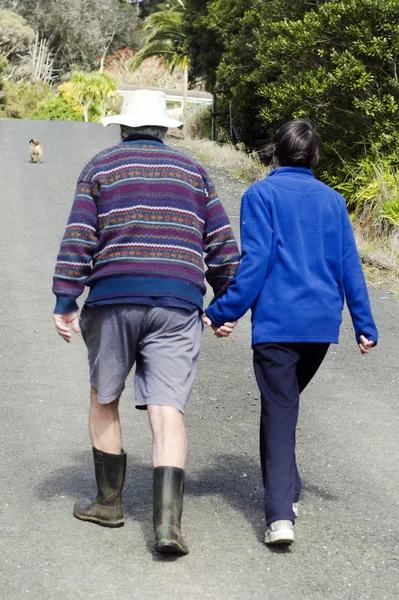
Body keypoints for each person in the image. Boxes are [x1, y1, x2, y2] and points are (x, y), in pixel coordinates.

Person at [52, 89, 240, 556]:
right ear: (165, 129)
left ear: (122, 126)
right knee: (167, 409)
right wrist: (225, 304)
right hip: (177, 302)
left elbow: (80, 235)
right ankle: (167, 527)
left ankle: (108, 504)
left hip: (114, 298)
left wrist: (65, 298)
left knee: (104, 396)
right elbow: (221, 244)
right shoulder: (195, 172)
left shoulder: (100, 166)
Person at [203, 120, 377, 546]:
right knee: (282, 404)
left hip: (278, 326)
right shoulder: (334, 200)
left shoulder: (260, 195)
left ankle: (281, 515)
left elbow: (256, 262)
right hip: (320, 328)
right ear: (314, 157)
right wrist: (364, 325)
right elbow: (349, 265)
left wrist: (223, 310)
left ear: (275, 153)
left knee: (280, 408)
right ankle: (290, 487)